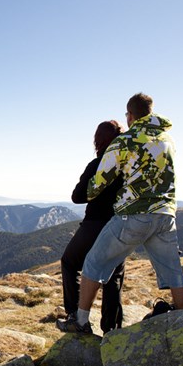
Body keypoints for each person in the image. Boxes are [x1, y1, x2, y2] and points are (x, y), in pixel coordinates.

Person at [58, 93, 183, 334]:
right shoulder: (167, 139)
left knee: (93, 263)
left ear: (130, 115)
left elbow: (99, 181)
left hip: (134, 215)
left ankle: (79, 321)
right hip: (166, 213)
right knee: (174, 273)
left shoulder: (126, 141)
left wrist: (88, 191)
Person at [57, 121, 125, 335]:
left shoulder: (97, 164)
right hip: (121, 225)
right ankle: (112, 329)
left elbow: (77, 197)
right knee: (113, 275)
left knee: (69, 262)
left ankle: (75, 316)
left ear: (99, 140)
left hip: (95, 224)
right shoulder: (128, 165)